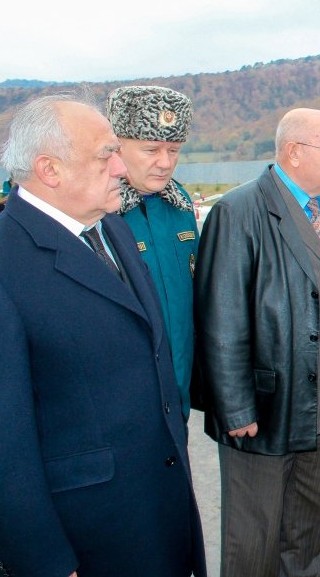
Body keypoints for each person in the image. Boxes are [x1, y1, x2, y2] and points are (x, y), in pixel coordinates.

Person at [0, 92, 205, 576]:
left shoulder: (111, 229)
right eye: (107, 154)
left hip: (160, 508)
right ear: (50, 169)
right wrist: (44, 562)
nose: (121, 168)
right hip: (89, 535)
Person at [194, 107, 320, 577]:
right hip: (263, 413)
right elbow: (219, 318)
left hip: (319, 410)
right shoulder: (238, 211)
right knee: (255, 543)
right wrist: (234, 408)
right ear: (293, 152)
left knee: (304, 535)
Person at [108, 85, 198, 421]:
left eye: (173, 150)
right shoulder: (100, 211)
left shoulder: (180, 205)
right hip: (126, 401)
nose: (165, 163)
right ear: (116, 147)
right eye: (151, 150)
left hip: (179, 392)